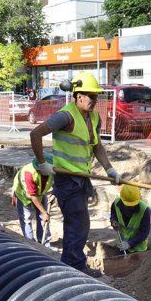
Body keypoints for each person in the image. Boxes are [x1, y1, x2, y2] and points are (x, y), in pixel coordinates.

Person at [29, 72, 120, 278]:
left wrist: (109, 169)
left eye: (96, 97)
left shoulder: (93, 117)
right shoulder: (65, 116)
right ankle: (74, 266)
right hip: (67, 179)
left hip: (82, 177)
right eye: (91, 97)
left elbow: (96, 145)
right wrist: (43, 164)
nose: (95, 101)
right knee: (77, 223)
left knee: (79, 223)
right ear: (78, 96)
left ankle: (71, 264)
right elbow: (35, 134)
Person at [12, 153, 54, 247]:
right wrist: (43, 212)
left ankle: (45, 244)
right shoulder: (29, 173)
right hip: (23, 195)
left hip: (40, 193)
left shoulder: (51, 170)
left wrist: (55, 193)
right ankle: (30, 244)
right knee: (26, 218)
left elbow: (57, 182)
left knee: (44, 219)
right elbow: (33, 196)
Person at [110, 185, 151, 253]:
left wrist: (130, 243)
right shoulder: (116, 203)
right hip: (122, 244)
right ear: (122, 199)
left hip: (138, 248)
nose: (131, 207)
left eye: (133, 204)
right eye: (128, 205)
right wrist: (113, 220)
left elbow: (144, 232)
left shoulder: (145, 210)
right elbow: (113, 213)